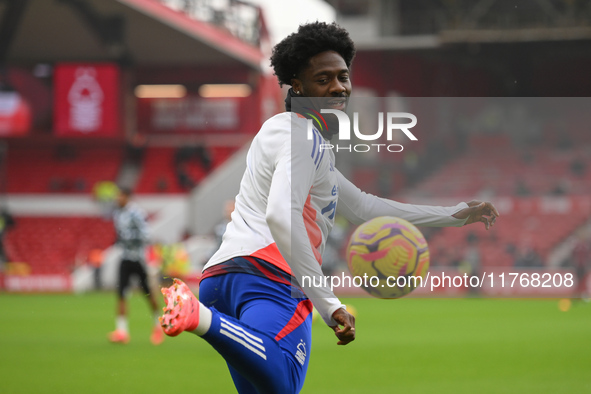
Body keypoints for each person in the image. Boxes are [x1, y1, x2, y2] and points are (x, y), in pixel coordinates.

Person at [159, 22, 499, 393]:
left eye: (343, 77)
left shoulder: (296, 137)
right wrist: (328, 302)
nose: (338, 86)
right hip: (269, 277)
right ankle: (199, 318)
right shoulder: (304, 135)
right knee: (285, 378)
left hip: (222, 278)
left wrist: (454, 214)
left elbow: (367, 208)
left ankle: (203, 315)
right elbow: (280, 215)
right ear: (298, 87)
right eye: (323, 79)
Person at [108, 187, 164, 345]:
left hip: (138, 259)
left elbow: (146, 234)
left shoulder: (136, 213)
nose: (117, 198)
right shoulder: (118, 213)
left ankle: (158, 327)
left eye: (119, 195)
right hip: (125, 258)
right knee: (121, 294)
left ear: (126, 196)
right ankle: (122, 331)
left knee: (148, 295)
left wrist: (128, 237)